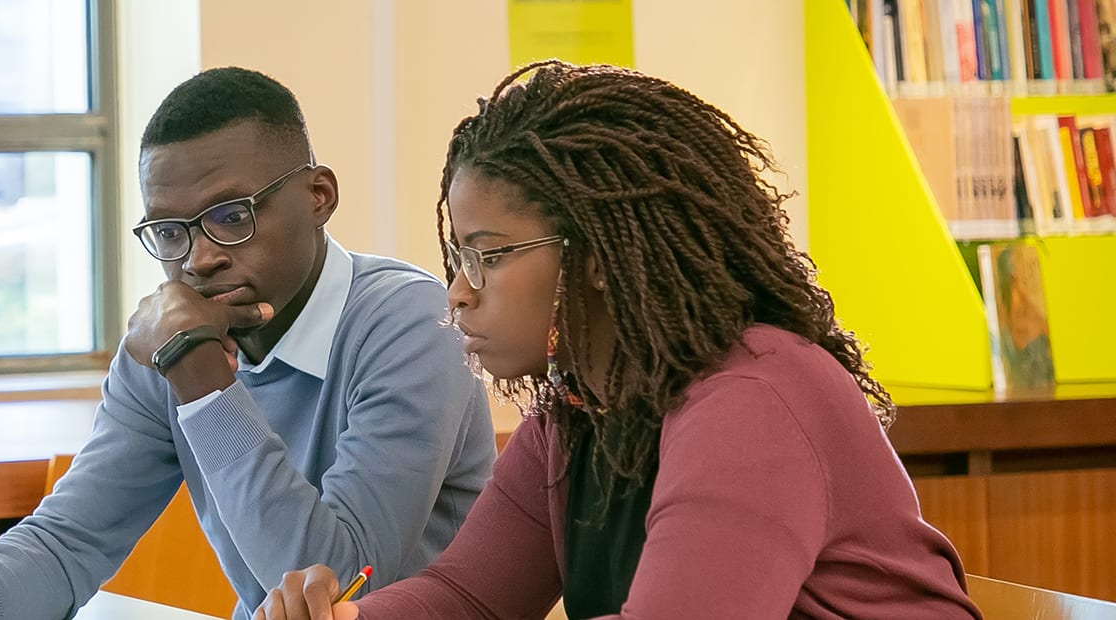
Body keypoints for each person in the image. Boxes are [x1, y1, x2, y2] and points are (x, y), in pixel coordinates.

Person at [255, 60, 982, 619]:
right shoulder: (581, 409)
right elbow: (467, 598)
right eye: (458, 259)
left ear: (596, 256)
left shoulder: (753, 401)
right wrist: (348, 616)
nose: (459, 291)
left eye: (489, 255)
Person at [0, 67, 498, 619]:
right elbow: (66, 544)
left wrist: (203, 384)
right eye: (171, 231)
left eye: (231, 217)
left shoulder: (413, 323)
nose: (199, 259)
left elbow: (336, 592)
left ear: (319, 196)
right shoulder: (173, 339)